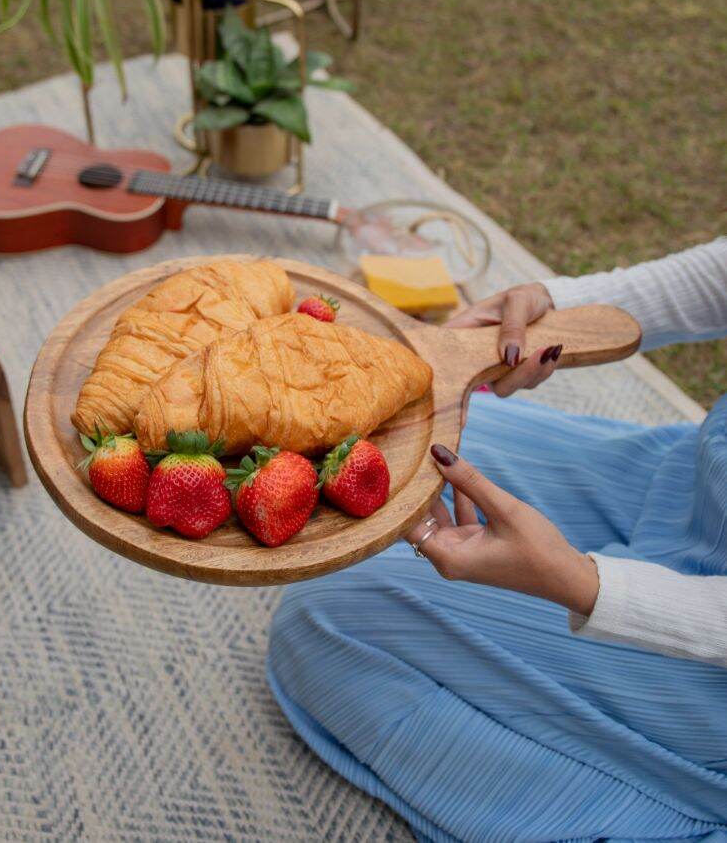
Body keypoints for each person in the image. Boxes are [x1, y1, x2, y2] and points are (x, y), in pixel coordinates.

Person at [268, 237, 727, 842]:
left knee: (319, 622)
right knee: (402, 435)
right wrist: (555, 306)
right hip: (690, 492)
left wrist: (585, 585)